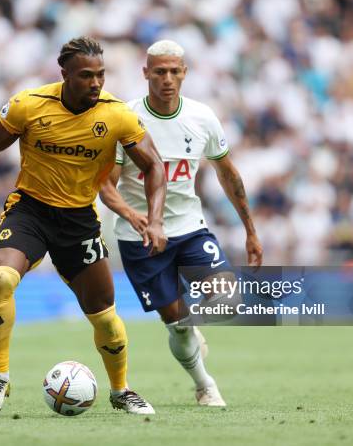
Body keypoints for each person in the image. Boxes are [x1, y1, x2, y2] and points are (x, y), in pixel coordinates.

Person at [0, 37, 167, 415]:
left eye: (100, 75)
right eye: (86, 76)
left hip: (79, 220)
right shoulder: (28, 105)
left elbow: (154, 166)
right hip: (30, 212)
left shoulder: (116, 114)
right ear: (65, 75)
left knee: (105, 316)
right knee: (2, 279)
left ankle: (120, 391)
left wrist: (154, 221)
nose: (96, 83)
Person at [99, 40, 263, 407]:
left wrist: (251, 231)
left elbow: (228, 174)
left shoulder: (202, 117)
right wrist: (134, 216)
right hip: (139, 237)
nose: (167, 79)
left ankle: (190, 324)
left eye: (174, 71)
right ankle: (204, 383)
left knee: (228, 299)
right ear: (146, 73)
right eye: (159, 72)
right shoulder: (125, 119)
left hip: (189, 227)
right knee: (176, 321)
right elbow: (105, 185)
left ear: (185, 73)